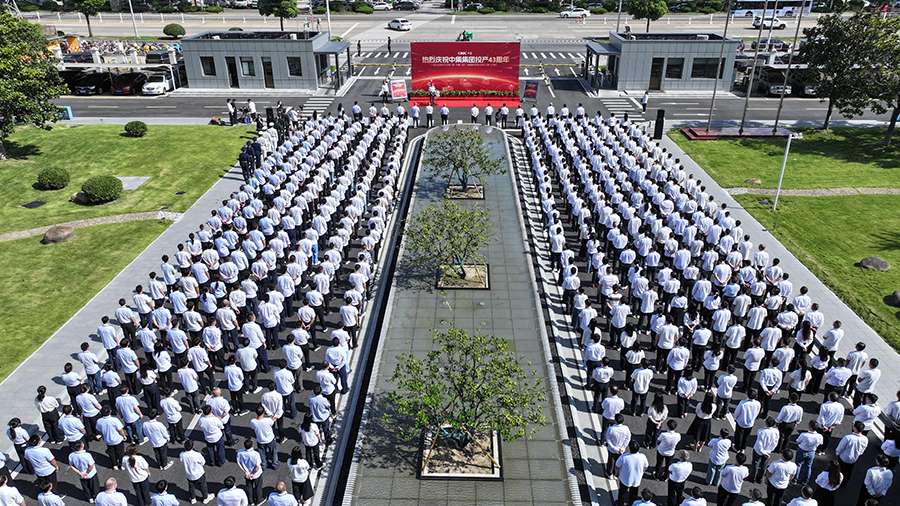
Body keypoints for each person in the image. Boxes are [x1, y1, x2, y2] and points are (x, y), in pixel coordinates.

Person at [180, 440, 215, 504]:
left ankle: (193, 498)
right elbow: (203, 462)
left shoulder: (182, 455)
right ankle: (205, 497)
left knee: (191, 486)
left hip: (189, 474)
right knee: (202, 485)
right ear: (193, 446)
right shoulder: (197, 454)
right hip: (199, 473)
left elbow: (182, 461)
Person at [835, 421, 868, 487]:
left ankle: (838, 481)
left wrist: (837, 453)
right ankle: (844, 483)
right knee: (849, 470)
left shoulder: (848, 437)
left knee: (840, 469)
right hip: (854, 458)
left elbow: (841, 447)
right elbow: (862, 449)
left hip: (844, 457)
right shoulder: (865, 439)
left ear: (855, 428)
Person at [615, 441, 648, 506]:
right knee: (633, 495)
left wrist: (617, 472)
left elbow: (617, 466)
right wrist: (642, 471)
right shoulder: (643, 456)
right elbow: (646, 466)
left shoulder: (623, 457)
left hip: (625, 479)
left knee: (622, 493)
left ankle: (620, 504)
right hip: (636, 480)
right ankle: (631, 504)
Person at [794, 420, 823, 486]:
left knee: (798, 465)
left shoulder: (804, 435)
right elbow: (820, 443)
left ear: (809, 426)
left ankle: (794, 479)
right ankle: (805, 481)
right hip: (811, 452)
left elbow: (798, 441)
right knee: (808, 466)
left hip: (801, 450)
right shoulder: (819, 436)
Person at [237, 439, 264, 505]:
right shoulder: (256, 454)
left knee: (249, 487)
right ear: (252, 446)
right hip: (256, 474)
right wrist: (253, 474)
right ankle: (258, 501)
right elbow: (257, 466)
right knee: (258, 487)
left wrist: (245, 471)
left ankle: (251, 501)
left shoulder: (240, 452)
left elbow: (238, 463)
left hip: (247, 474)